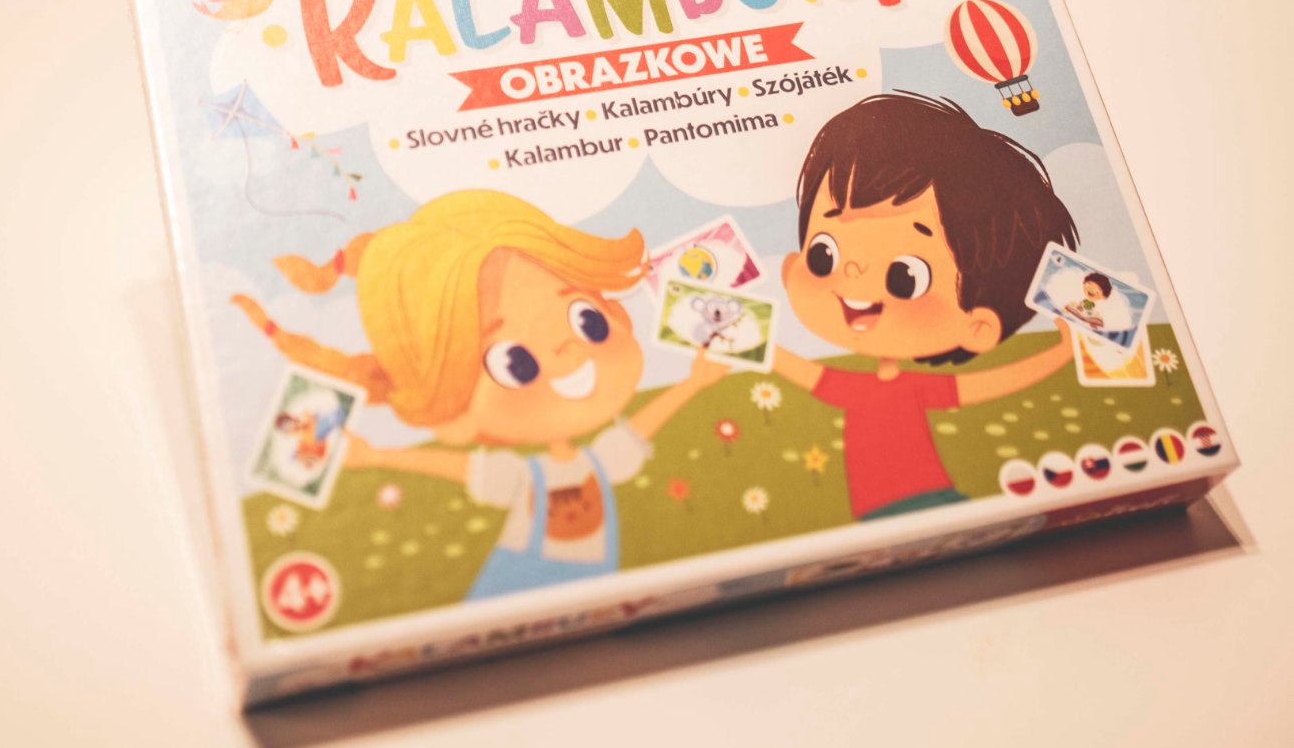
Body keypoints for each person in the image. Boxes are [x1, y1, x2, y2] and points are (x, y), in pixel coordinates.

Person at [234, 190, 724, 599]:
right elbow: (460, 468)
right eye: (515, 363)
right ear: (453, 409)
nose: (569, 351)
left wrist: (694, 383)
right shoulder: (523, 476)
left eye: (588, 320)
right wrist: (377, 456)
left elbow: (637, 430)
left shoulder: (598, 461)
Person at [771, 93, 1076, 522]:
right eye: (823, 254)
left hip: (931, 505)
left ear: (978, 326)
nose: (854, 272)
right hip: (878, 517)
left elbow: (995, 383)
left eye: (905, 277)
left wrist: (1064, 353)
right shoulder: (857, 388)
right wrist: (734, 332)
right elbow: (791, 367)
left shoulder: (911, 390)